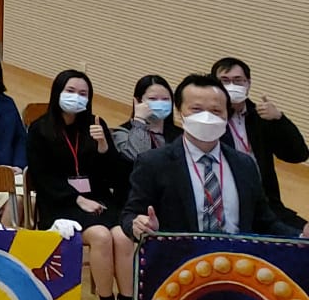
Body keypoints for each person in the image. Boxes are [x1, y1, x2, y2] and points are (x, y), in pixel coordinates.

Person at [125, 74, 309, 246]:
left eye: (216, 110)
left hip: (237, 261)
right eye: (196, 109)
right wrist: (138, 225)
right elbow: (130, 214)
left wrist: (300, 237)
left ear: (227, 114)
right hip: (180, 261)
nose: (207, 117)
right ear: (180, 111)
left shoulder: (244, 164)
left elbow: (264, 221)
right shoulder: (154, 163)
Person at [26, 69, 135, 300]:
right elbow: (40, 176)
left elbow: (114, 175)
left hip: (98, 199)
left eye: (83, 93)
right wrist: (77, 199)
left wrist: (104, 147)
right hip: (60, 202)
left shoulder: (96, 125)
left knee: (122, 236)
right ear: (58, 93)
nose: (77, 97)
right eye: (71, 91)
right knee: (101, 236)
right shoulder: (40, 129)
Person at [210, 58, 308, 225]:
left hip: (266, 203)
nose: (232, 86)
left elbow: (298, 155)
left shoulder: (261, 117)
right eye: (224, 81)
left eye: (238, 80)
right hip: (226, 206)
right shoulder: (209, 121)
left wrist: (279, 119)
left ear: (248, 83)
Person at [114, 74, 180, 162]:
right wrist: (139, 120)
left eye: (165, 99)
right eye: (153, 99)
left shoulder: (180, 135)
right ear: (138, 101)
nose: (160, 103)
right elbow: (138, 158)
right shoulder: (122, 133)